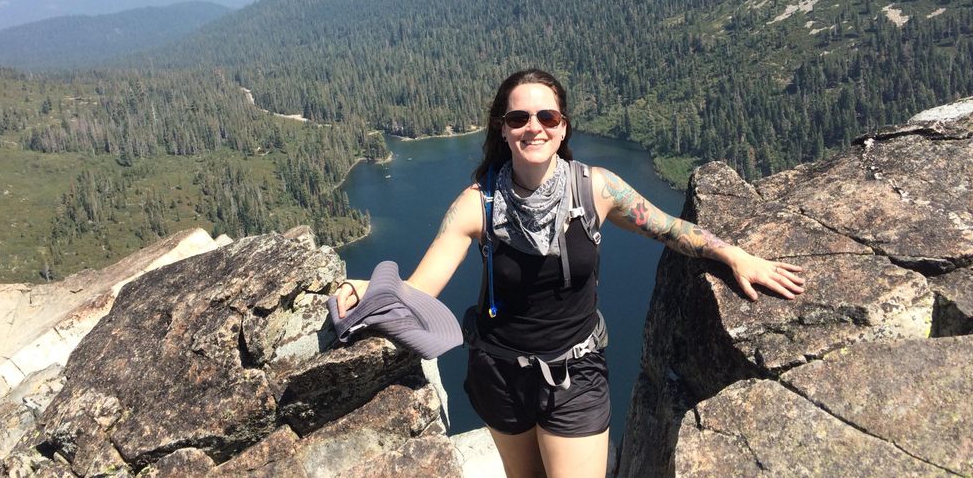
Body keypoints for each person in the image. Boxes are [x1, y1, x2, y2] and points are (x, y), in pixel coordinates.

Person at [334, 69, 805, 478]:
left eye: (547, 118)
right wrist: (372, 289)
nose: (533, 127)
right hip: (498, 372)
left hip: (575, 372)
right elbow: (421, 290)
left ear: (563, 128)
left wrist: (736, 256)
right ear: (503, 130)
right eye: (519, 118)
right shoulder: (477, 205)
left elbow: (669, 230)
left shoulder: (596, 189)